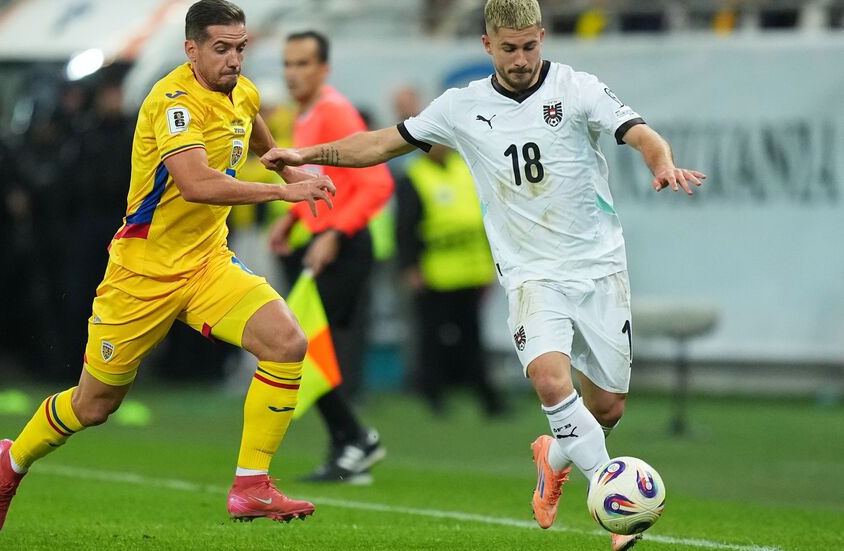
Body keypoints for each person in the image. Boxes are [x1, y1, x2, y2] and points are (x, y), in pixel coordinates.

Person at [262, 1, 705, 548]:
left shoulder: (578, 87)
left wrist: (660, 162)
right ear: (487, 46)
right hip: (529, 273)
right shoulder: (460, 107)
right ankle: (612, 495)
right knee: (549, 379)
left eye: (530, 46)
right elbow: (379, 143)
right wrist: (305, 153)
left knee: (607, 407)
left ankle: (555, 455)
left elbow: (639, 132)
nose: (521, 59)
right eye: (509, 48)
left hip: (598, 268)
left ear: (542, 37)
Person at [0, 0, 336, 533]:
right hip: (142, 274)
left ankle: (251, 486)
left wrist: (281, 159)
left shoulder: (241, 90)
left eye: (240, 47)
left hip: (208, 264)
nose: (234, 59)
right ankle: (11, 462)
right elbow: (198, 184)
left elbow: (254, 128)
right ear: (191, 49)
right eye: (221, 49)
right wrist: (284, 193)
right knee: (95, 405)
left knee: (287, 343)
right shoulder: (173, 102)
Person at [267, 30, 394, 483]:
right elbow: (323, 182)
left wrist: (335, 233)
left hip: (344, 248)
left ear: (324, 69)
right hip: (324, 244)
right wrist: (292, 220)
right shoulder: (305, 115)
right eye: (288, 63)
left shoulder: (335, 111)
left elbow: (378, 184)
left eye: (303, 64)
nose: (292, 73)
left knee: (302, 348)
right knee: (309, 349)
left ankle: (356, 439)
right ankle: (349, 445)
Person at [395, 144, 509, 418]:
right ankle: (434, 396)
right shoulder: (414, 176)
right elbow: (405, 226)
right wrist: (411, 268)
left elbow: (486, 215)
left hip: (471, 270)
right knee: (432, 339)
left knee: (472, 339)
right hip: (435, 272)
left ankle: (487, 399)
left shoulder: (464, 168)